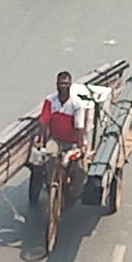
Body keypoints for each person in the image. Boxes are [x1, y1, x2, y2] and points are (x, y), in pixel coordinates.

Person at [35, 71, 90, 203]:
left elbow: (79, 127)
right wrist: (41, 140)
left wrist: (80, 146)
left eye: (66, 84)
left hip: (72, 143)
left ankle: (73, 195)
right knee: (49, 158)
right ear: (56, 85)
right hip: (55, 140)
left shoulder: (77, 105)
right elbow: (44, 121)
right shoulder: (50, 101)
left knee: (81, 170)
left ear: (70, 85)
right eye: (61, 84)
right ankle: (50, 182)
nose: (63, 87)